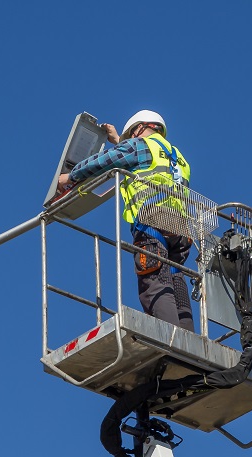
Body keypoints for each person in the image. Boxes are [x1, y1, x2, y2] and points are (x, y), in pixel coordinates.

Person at [58, 110, 195, 332]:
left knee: (155, 282)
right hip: (180, 227)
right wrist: (119, 139)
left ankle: (172, 341)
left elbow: (106, 161)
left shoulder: (140, 146)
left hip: (152, 220)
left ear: (141, 128)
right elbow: (137, 159)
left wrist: (71, 176)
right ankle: (189, 337)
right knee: (175, 280)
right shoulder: (177, 157)